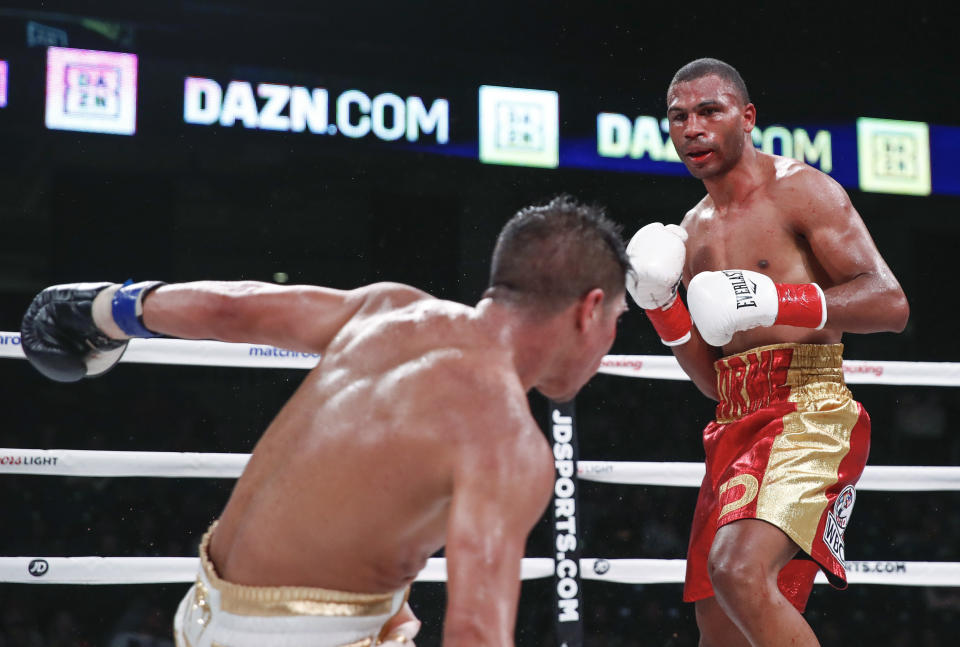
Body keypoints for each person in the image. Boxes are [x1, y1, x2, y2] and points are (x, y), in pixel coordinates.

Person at [19, 195, 630, 647]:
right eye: (616, 325)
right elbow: (474, 633)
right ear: (590, 310)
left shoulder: (390, 309)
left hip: (199, 616)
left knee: (398, 613)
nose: (606, 348)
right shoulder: (508, 444)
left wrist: (107, 309)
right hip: (301, 639)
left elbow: (233, 310)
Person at [625, 58, 909, 647]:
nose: (691, 128)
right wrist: (660, 305)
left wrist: (781, 300)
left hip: (809, 410)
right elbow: (712, 380)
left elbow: (891, 303)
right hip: (732, 421)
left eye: (709, 111)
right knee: (718, 623)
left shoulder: (801, 191)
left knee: (738, 570)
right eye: (678, 117)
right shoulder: (692, 231)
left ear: (747, 116)